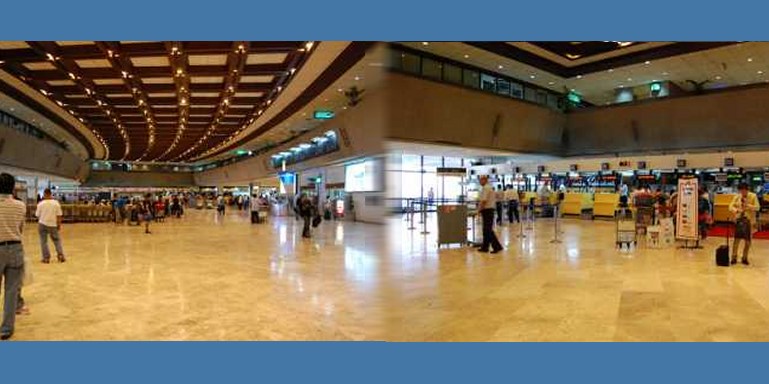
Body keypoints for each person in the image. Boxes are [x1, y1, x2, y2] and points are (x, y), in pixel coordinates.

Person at [0, 173, 26, 340]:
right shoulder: (20, 206)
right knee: (11, 291)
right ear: (13, 187)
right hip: (15, 248)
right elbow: (20, 228)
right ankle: (6, 329)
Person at [729, 183, 759, 265]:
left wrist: (748, 206)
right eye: (741, 190)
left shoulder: (753, 196)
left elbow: (757, 207)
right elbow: (730, 206)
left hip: (749, 221)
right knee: (736, 240)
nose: (742, 192)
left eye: (744, 190)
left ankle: (745, 258)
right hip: (739, 221)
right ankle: (734, 257)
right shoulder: (737, 197)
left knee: (748, 241)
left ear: (747, 189)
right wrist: (736, 210)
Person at [35, 188, 65, 263]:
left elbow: (37, 215)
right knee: (56, 240)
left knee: (43, 241)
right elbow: (59, 215)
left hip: (42, 223)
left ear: (44, 194)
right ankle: (60, 255)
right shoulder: (56, 203)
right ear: (50, 194)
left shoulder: (40, 204)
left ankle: (46, 258)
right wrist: (58, 224)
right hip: (53, 224)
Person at [477, 176, 503, 254]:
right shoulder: (490, 188)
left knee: (487, 230)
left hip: (487, 210)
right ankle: (486, 247)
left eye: (480, 180)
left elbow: (483, 201)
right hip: (489, 210)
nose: (479, 182)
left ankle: (496, 247)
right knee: (487, 230)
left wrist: (479, 210)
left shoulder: (486, 188)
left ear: (484, 180)